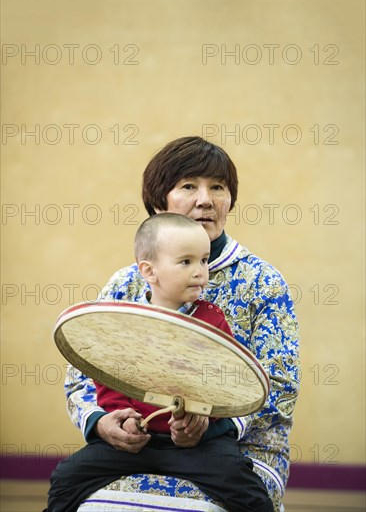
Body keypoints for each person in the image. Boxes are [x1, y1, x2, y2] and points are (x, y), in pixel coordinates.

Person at [52, 137, 300, 512]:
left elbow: (279, 385)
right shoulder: (126, 283)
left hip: (234, 446)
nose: (206, 199)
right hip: (132, 444)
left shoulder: (264, 282)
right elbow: (83, 372)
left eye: (218, 187)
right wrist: (102, 422)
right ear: (159, 202)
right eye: (188, 186)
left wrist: (211, 427)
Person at [45, 212, 274, 512]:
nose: (200, 272)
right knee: (65, 477)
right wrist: (120, 417)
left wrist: (202, 421)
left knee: (247, 489)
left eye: (204, 260)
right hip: (133, 442)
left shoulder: (212, 319)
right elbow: (109, 374)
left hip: (197, 445)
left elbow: (224, 380)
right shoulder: (124, 319)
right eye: (186, 262)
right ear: (149, 271)